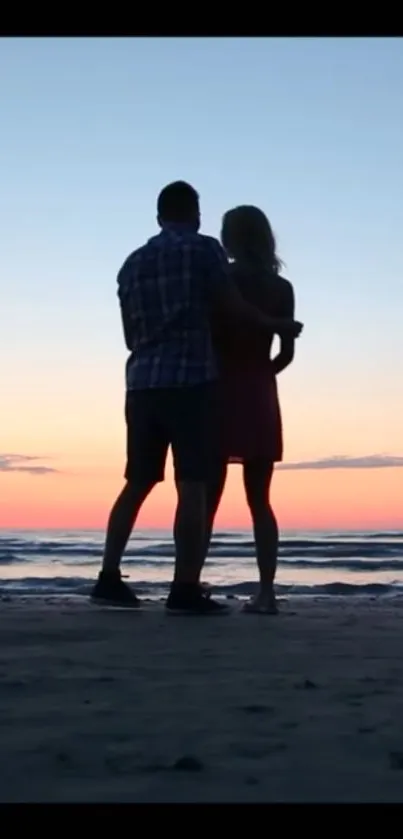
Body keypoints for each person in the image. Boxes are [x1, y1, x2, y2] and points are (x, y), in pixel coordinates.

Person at [90, 184, 302, 615]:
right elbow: (249, 323)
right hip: (212, 385)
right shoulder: (212, 259)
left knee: (142, 483)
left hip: (156, 383)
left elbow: (131, 334)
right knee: (211, 490)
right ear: (197, 214)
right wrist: (275, 327)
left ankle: (110, 577)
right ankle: (208, 589)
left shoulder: (132, 263)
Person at [206, 205, 297, 614]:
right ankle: (266, 592)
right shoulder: (282, 288)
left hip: (219, 388)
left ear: (230, 238)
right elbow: (286, 353)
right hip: (261, 389)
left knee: (205, 493)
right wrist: (261, 374)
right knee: (260, 498)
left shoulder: (221, 280)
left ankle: (187, 578)